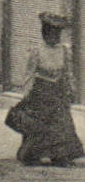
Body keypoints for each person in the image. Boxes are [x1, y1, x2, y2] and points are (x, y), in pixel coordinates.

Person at [6, 12, 83, 167]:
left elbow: (68, 73)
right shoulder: (37, 50)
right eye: (51, 33)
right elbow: (29, 74)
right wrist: (26, 94)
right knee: (39, 125)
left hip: (58, 91)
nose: (55, 37)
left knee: (61, 124)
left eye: (57, 34)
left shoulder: (64, 51)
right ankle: (32, 155)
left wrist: (71, 89)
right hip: (41, 92)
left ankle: (60, 156)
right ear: (45, 33)